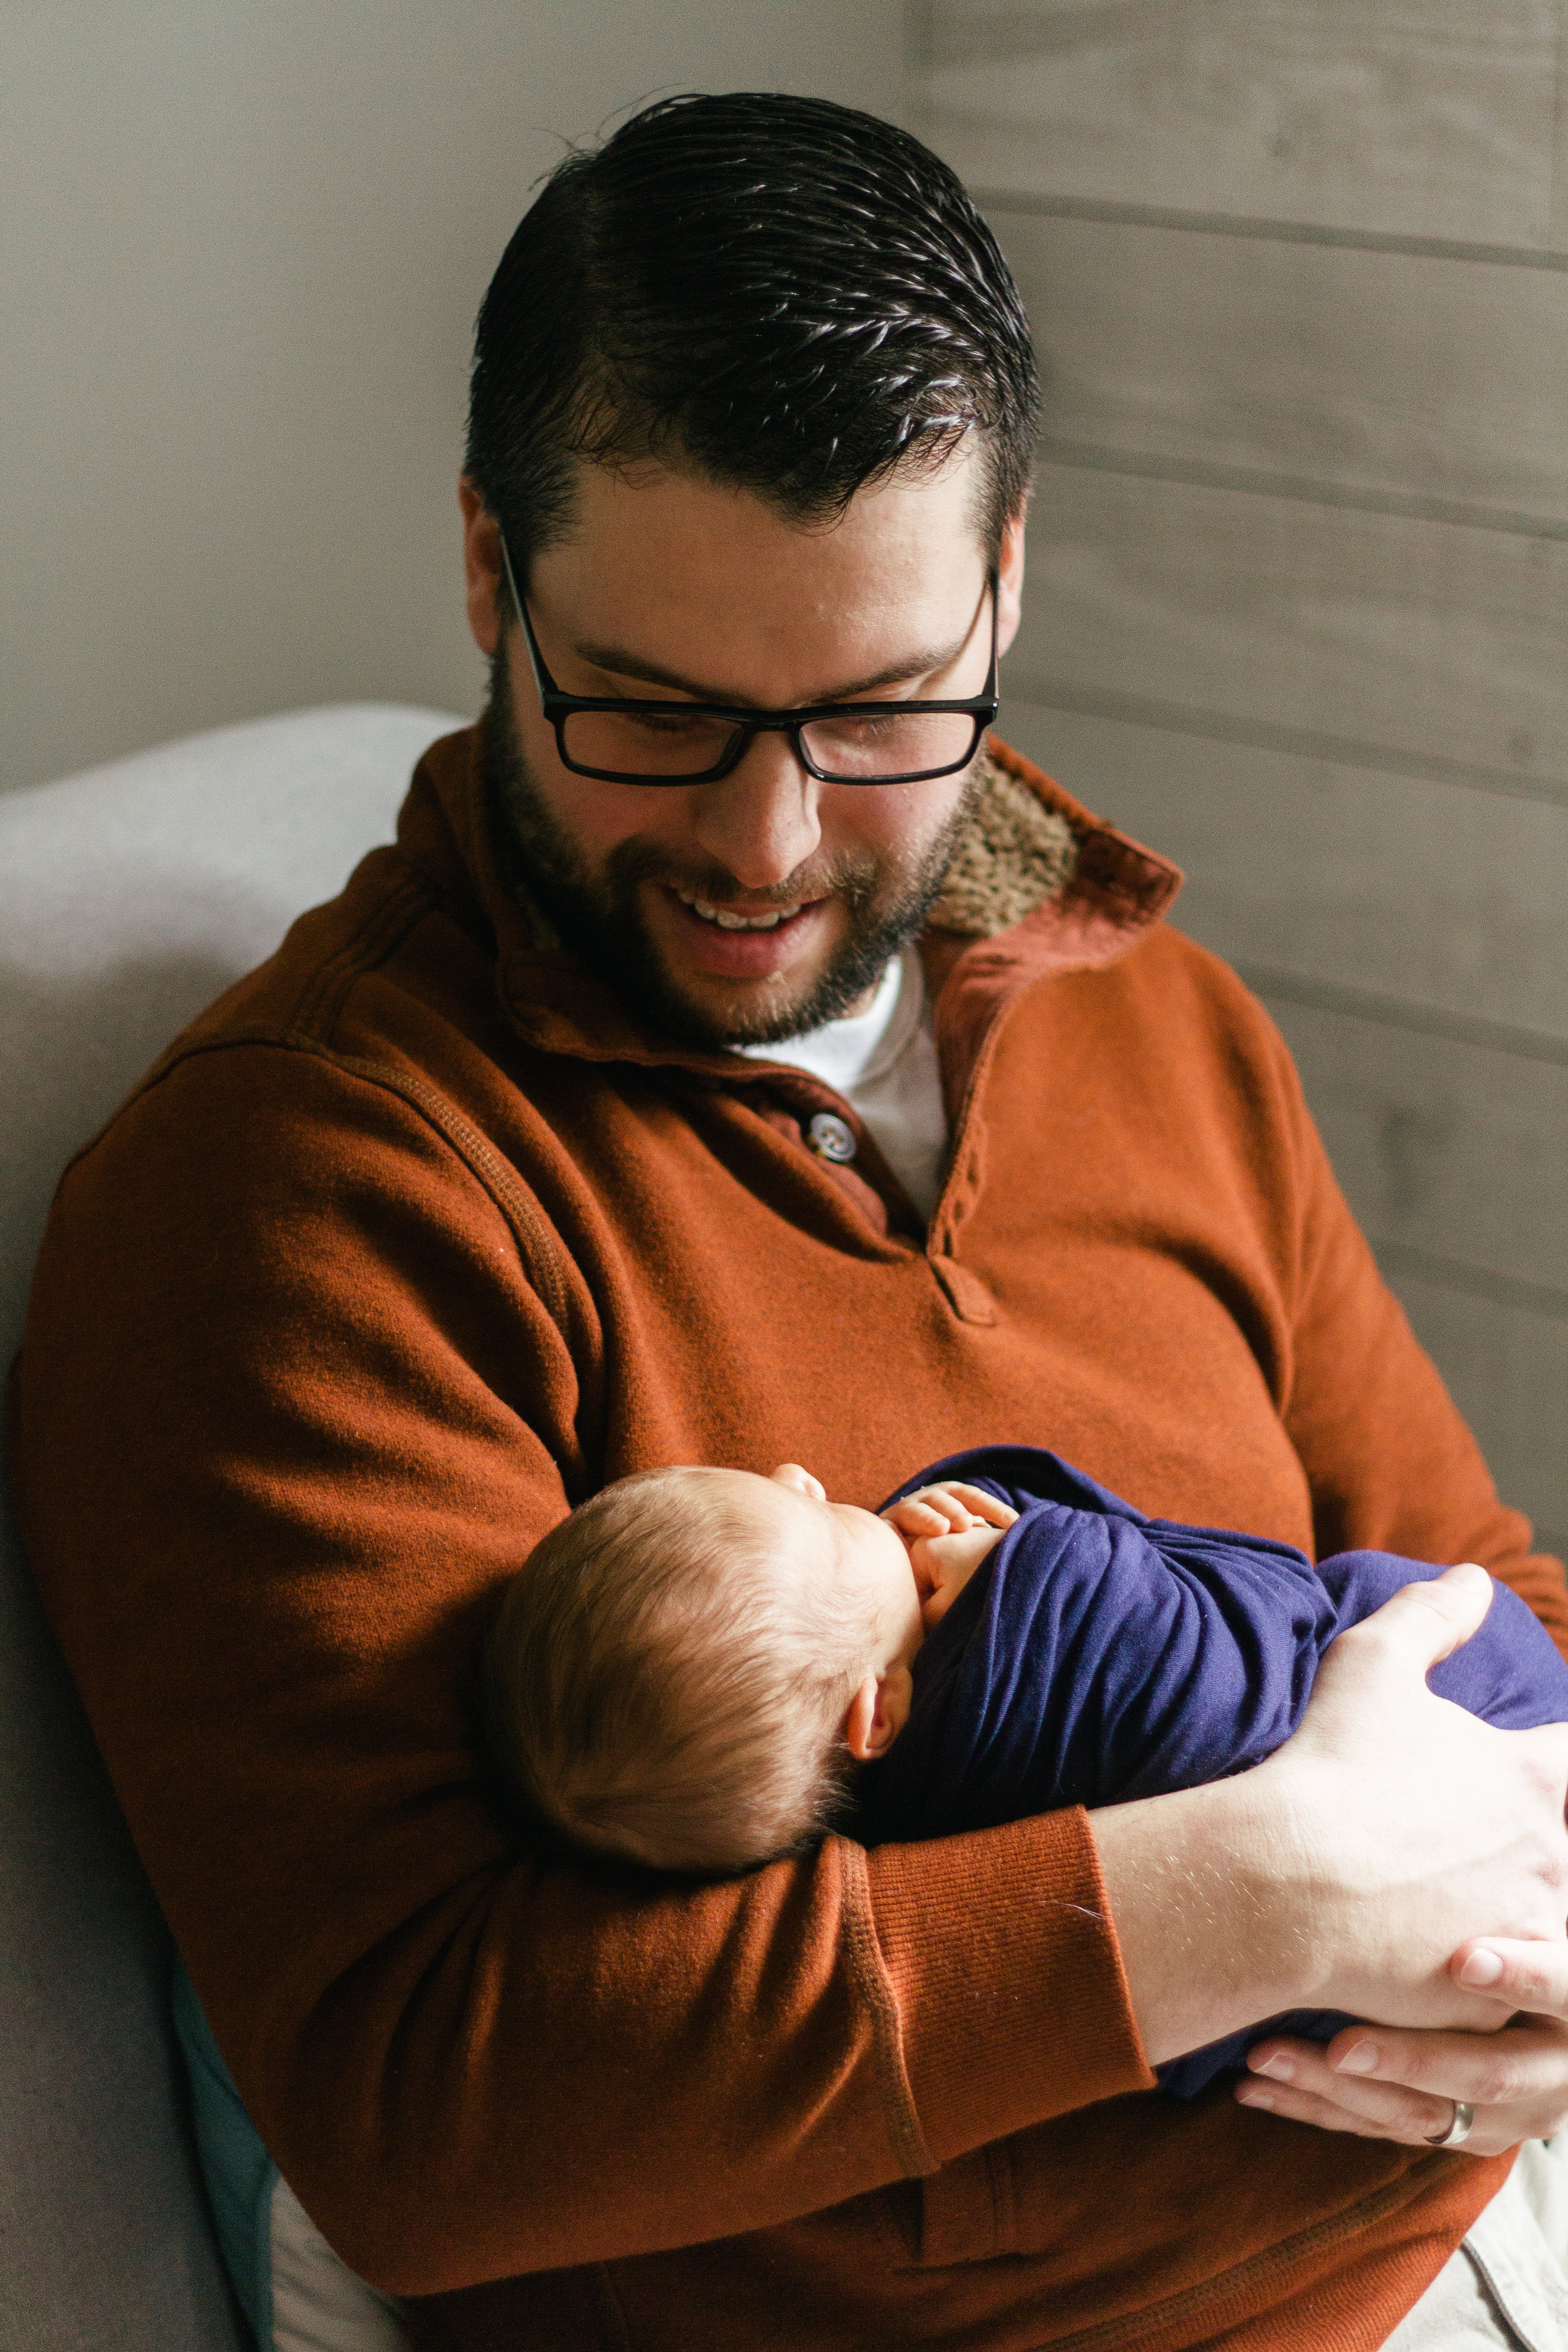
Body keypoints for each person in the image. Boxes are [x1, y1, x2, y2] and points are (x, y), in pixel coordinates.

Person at [12, 89, 1568, 2352]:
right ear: (487, 570)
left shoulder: (1167, 1034)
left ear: (1005, 584)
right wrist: (1256, 1894)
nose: (764, 840)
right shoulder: (306, 1199)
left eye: (875, 710)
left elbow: (1485, 1603)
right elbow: (436, 2099)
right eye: (649, 711)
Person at [484, 1448, 1568, 2096]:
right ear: (879, 1714)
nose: (803, 1471)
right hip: (1467, 1737)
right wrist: (1041, 1562)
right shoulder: (1048, 1632)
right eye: (815, 1517)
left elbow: (1491, 1546)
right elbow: (1232, 1652)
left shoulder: (878, 1805)